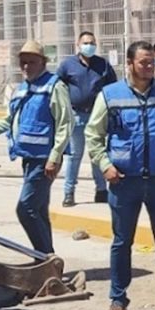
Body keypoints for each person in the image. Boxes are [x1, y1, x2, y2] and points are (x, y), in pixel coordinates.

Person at [86, 40, 155, 310]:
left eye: (152, 62)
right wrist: (105, 166)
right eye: (144, 62)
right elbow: (93, 134)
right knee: (122, 242)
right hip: (124, 182)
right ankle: (118, 301)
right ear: (130, 63)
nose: (149, 67)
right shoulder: (110, 95)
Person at [0, 40, 71, 254]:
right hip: (29, 158)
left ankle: (45, 257)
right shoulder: (22, 89)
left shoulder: (54, 86)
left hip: (44, 160)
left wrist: (55, 157)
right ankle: (46, 258)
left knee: (26, 209)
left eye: (31, 62)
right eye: (23, 62)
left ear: (43, 62)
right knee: (39, 211)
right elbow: (9, 121)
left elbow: (65, 124)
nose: (26, 66)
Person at [55, 31, 116, 207]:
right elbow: (57, 86)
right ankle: (69, 192)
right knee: (75, 155)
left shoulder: (103, 65)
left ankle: (101, 190)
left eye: (92, 43)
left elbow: (112, 87)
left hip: (97, 117)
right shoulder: (68, 65)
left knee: (97, 154)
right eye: (86, 43)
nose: (89, 46)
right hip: (76, 116)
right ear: (78, 45)